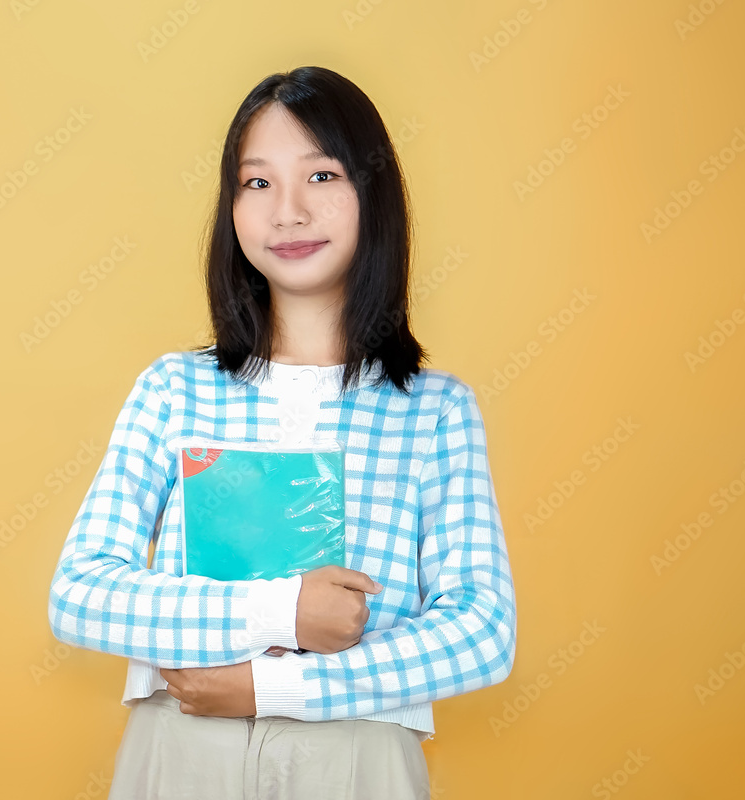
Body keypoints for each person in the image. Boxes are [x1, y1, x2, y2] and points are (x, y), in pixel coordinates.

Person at [47, 65, 517, 799]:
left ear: (373, 194)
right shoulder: (174, 389)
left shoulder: (435, 411)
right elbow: (80, 594)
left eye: (322, 176)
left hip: (357, 759)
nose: (288, 212)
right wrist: (279, 612)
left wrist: (277, 689)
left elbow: (481, 633)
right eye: (257, 183)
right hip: (179, 749)